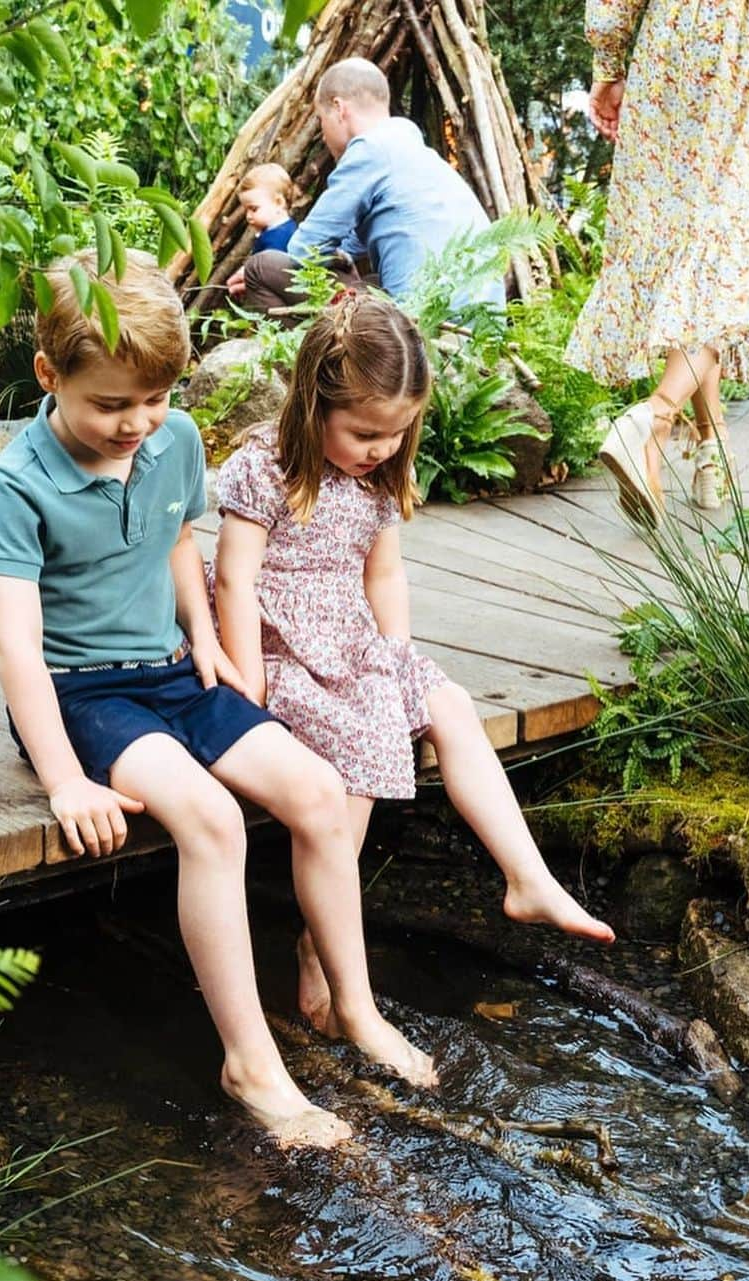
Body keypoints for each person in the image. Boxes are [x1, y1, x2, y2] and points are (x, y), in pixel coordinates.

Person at [0, 252, 438, 1151]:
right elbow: (16, 646)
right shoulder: (17, 482)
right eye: (111, 405)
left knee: (313, 792)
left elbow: (181, 545)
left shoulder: (173, 439)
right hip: (81, 697)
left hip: (176, 670)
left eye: (153, 401)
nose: (136, 425)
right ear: (49, 375)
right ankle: (251, 1063)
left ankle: (355, 1005)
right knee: (214, 822)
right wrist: (68, 779)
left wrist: (216, 644)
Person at [210, 293, 614, 1029]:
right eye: (365, 432)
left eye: (397, 434)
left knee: (448, 705)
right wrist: (246, 690)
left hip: (355, 640)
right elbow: (234, 579)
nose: (381, 449)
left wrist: (394, 655)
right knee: (361, 754)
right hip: (280, 646)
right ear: (313, 404)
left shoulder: (375, 477)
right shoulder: (263, 469)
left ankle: (527, 877)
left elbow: (384, 575)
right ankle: (318, 949)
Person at [567, 0, 749, 525]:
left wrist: (610, 64)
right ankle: (653, 420)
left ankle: (711, 444)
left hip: (673, 45)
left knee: (690, 251)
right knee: (727, 255)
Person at [229, 57, 503, 315]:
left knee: (259, 268)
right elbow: (353, 242)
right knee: (370, 281)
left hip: (420, 327)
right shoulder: (409, 150)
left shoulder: (369, 151)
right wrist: (342, 258)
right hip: (473, 324)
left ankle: (310, 362)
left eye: (321, 121)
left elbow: (305, 248)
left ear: (339, 108)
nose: (323, 136)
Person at [239, 163, 298, 256]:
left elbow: (268, 268)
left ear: (279, 203)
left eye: (254, 209)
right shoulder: (274, 231)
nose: (248, 216)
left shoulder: (279, 238)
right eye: (246, 210)